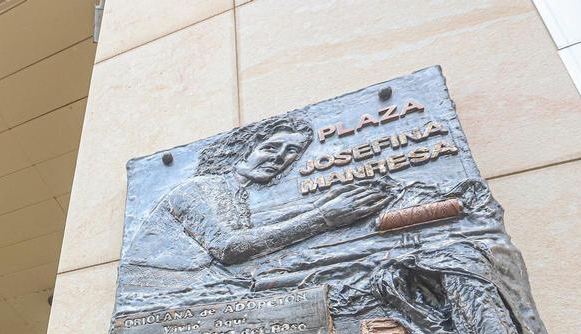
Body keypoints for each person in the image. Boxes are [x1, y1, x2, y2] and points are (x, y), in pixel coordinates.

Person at [120, 114, 391, 303]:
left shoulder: (232, 191)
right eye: (271, 147)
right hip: (157, 286)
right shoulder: (199, 188)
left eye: (292, 152)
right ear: (242, 150)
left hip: (189, 281)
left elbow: (250, 224)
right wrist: (322, 218)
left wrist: (316, 203)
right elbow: (228, 246)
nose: (280, 158)